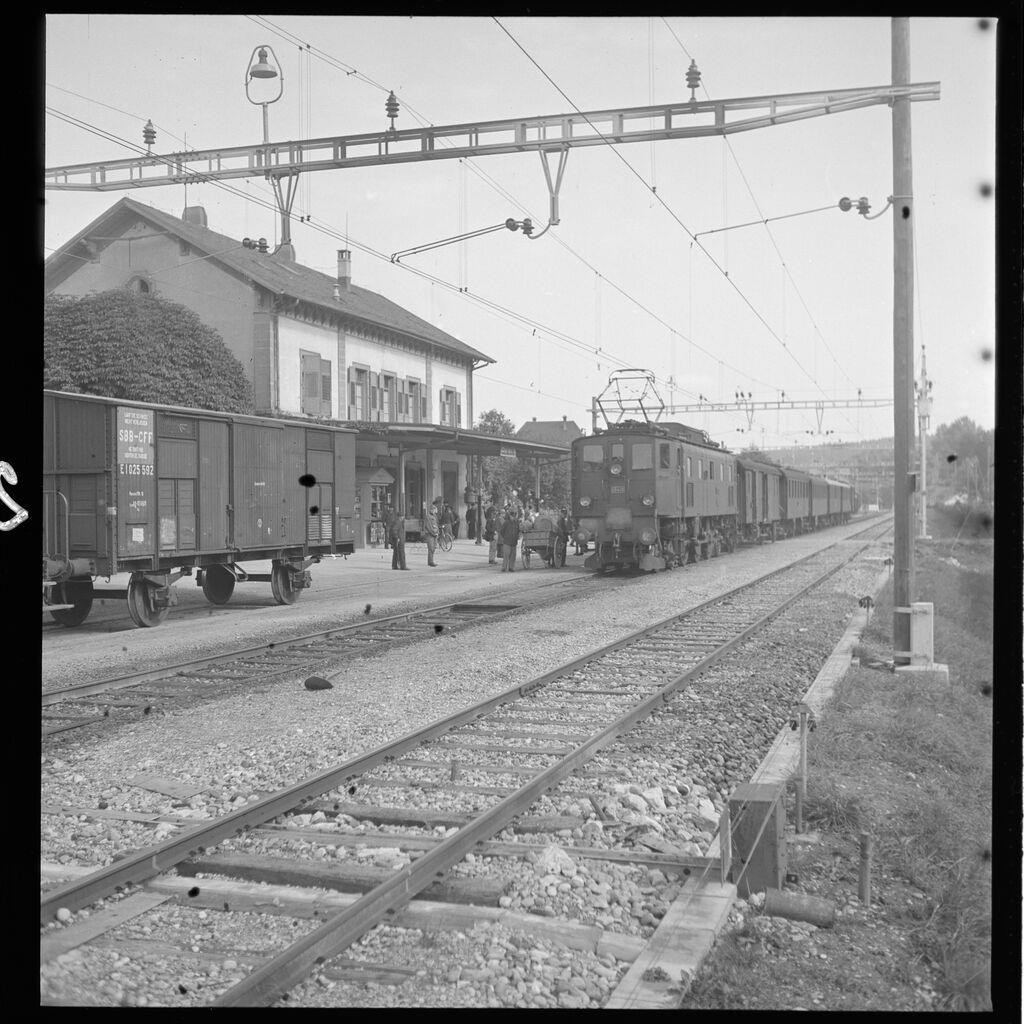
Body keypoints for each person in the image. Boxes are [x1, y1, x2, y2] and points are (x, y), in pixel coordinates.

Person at [386, 504, 408, 570]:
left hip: (398, 540)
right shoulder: (398, 522)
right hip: (399, 540)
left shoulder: (397, 521)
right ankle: (403, 566)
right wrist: (397, 537)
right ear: (401, 517)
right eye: (402, 517)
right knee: (401, 554)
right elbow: (394, 530)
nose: (403, 518)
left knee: (396, 553)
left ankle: (394, 566)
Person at [500, 508, 520, 572]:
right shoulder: (506, 522)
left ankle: (511, 567)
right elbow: (502, 531)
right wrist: (505, 537)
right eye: (512, 515)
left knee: (513, 556)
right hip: (507, 541)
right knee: (506, 555)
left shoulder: (516, 522)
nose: (513, 517)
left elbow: (518, 531)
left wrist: (517, 537)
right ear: (510, 516)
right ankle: (504, 567)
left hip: (514, 542)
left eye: (514, 515)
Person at [424, 498, 440, 566]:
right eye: (433, 509)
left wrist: (437, 532)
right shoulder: (428, 516)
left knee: (433, 548)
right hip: (430, 534)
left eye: (435, 509)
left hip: (435, 534)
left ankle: (431, 560)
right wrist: (433, 533)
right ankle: (430, 561)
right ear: (431, 510)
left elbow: (436, 525)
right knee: (430, 548)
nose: (434, 511)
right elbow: (428, 526)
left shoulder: (435, 516)